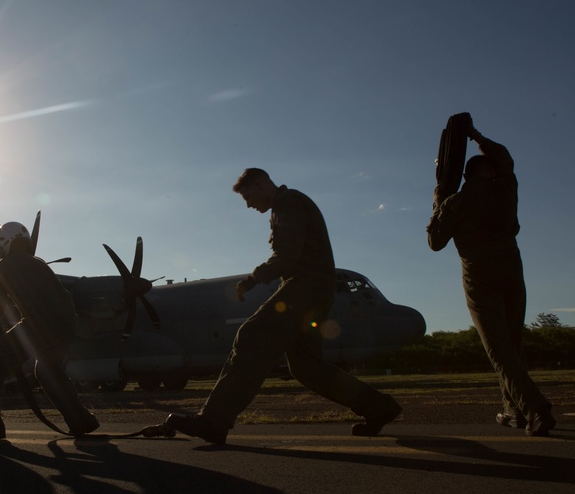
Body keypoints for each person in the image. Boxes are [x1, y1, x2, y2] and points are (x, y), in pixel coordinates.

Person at [162, 168, 402, 444]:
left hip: (304, 287)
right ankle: (379, 407)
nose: (249, 205)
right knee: (305, 366)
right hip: (316, 290)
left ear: (262, 184)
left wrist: (252, 279)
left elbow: (287, 256)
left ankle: (213, 421)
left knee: (251, 335)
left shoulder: (288, 203)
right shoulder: (290, 205)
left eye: (249, 196)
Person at [427, 120, 555, 436]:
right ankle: (514, 410)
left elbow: (435, 243)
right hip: (512, 270)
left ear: (465, 176)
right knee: (512, 345)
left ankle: (535, 408)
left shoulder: (455, 203)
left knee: (498, 350)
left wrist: (439, 194)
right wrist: (476, 136)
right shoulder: (505, 188)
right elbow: (504, 159)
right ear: (491, 171)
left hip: (479, 277)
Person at [0, 220, 99, 440]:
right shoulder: (38, 263)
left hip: (38, 324)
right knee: (47, 371)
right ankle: (81, 421)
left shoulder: (5, 266)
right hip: (65, 324)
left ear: (7, 242)